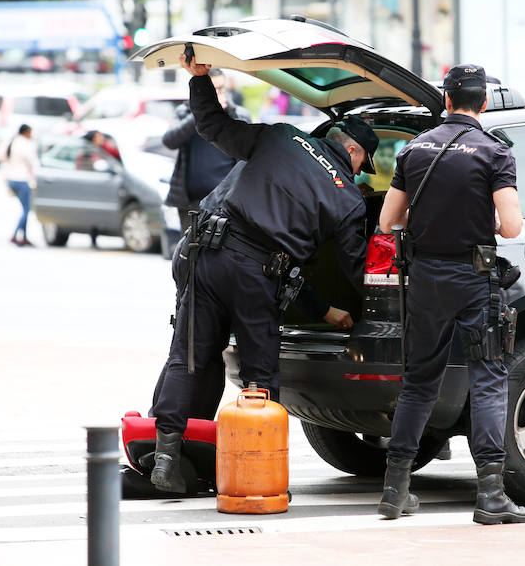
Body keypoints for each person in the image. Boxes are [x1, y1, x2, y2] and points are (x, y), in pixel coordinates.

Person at [148, 52, 379, 494]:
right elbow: (357, 270)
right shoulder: (347, 199)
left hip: (204, 256)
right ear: (353, 150)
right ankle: (255, 468)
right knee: (260, 374)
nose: (358, 172)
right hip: (255, 275)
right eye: (361, 163)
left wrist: (200, 79)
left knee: (188, 358)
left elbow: (211, 126)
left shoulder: (281, 137)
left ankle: (165, 456)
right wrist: (383, 303)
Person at [376, 64, 525, 524]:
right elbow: (511, 226)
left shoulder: (413, 149)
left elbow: (388, 222)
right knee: (487, 379)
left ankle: (394, 489)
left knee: (419, 381)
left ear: (446, 100)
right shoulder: (493, 152)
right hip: (473, 279)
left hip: (425, 279)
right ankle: (490, 496)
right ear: (482, 103)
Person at [163, 68, 251, 235]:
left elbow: (246, 152)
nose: (218, 93)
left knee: (220, 253)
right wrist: (201, 112)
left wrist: (226, 112)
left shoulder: (237, 114)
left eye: (221, 88)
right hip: (191, 201)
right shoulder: (185, 112)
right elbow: (169, 140)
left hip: (225, 200)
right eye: (214, 89)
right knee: (189, 252)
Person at [0, 124, 39, 247]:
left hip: (11, 178)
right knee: (26, 210)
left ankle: (24, 237)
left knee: (25, 209)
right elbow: (34, 162)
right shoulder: (25, 145)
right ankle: (16, 235)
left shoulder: (12, 141)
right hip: (22, 179)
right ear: (26, 132)